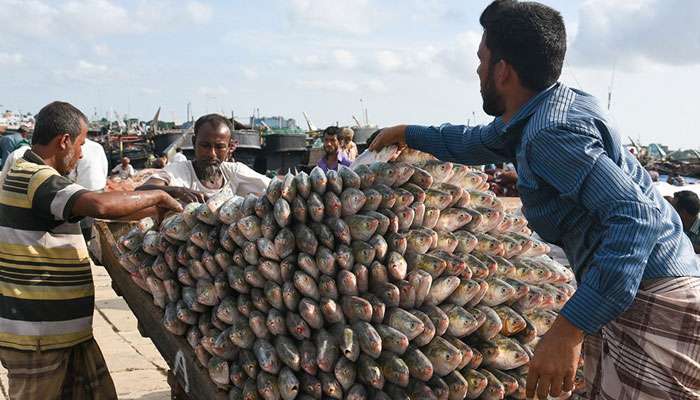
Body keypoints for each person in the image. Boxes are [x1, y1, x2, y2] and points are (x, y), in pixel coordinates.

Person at [369, 1, 700, 399]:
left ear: (503, 70)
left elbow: (637, 217)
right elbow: (478, 141)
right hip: (628, 292)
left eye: (481, 59)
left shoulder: (551, 134)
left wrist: (569, 327)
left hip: (651, 298)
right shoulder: (551, 107)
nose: (477, 70)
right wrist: (410, 132)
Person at [0, 101, 181, 400]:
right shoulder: (36, 177)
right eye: (81, 144)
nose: (82, 154)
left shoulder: (38, 181)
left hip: (66, 332)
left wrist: (152, 210)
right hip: (37, 337)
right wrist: (159, 195)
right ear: (64, 141)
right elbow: (98, 204)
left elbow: (95, 215)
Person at [138, 114, 270, 202]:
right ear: (194, 142)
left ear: (229, 147)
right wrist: (176, 191)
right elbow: (141, 190)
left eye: (219, 147)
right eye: (205, 145)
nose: (212, 154)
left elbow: (273, 187)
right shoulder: (178, 173)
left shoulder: (233, 172)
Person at [69, 137, 110, 242]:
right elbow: (104, 167)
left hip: (83, 190)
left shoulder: (75, 147)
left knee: (84, 222)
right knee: (98, 220)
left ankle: (86, 241)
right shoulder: (97, 146)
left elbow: (71, 174)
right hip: (100, 188)